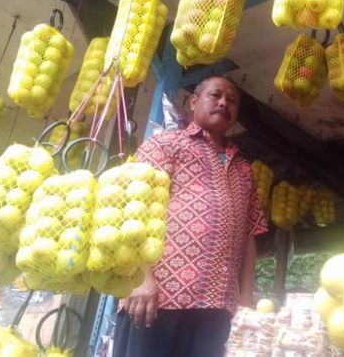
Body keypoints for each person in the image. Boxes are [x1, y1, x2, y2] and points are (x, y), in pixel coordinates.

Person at [112, 76, 268, 357]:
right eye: (215, 95)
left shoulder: (244, 169)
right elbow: (131, 210)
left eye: (231, 100)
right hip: (156, 301)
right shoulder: (165, 145)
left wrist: (245, 303)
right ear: (193, 102)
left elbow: (249, 238)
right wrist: (140, 280)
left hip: (218, 311)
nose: (223, 102)